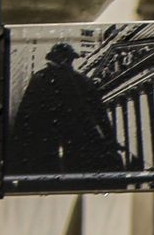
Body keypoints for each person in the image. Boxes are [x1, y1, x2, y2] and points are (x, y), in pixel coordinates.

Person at [8, 43, 124, 173]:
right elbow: (101, 115)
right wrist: (110, 141)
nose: (68, 61)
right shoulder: (82, 81)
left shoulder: (40, 78)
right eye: (68, 58)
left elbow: (25, 117)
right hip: (74, 147)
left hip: (50, 147)